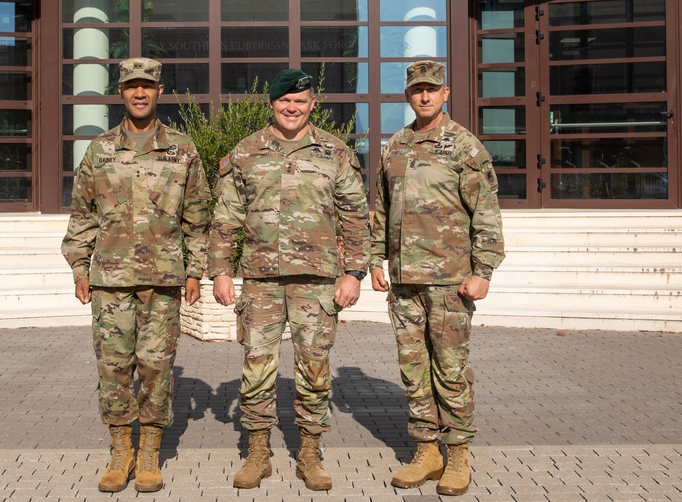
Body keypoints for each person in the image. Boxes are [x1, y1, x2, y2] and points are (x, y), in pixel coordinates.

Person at [208, 68, 371, 491]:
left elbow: (355, 215)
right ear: (273, 104)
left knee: (314, 370)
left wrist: (354, 273)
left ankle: (309, 454)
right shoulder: (245, 152)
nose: (292, 107)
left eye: (300, 101)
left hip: (317, 282)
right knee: (257, 368)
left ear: (312, 104)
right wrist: (221, 271)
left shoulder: (334, 152)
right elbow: (226, 216)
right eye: (285, 101)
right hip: (260, 281)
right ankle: (258, 452)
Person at [61, 57, 210, 494]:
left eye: (147, 86)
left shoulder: (182, 149)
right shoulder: (100, 149)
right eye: (131, 86)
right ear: (121, 93)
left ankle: (149, 453)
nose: (139, 93)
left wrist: (195, 271)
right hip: (110, 280)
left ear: (160, 91)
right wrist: (79, 268)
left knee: (156, 367)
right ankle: (120, 450)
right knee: (113, 368)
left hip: (163, 281)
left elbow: (198, 217)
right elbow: (83, 214)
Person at [370, 60, 505, 497]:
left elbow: (486, 212)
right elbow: (381, 210)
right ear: (407, 96)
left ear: (445, 93)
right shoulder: (395, 146)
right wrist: (376, 260)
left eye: (432, 89)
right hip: (405, 281)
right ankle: (427, 450)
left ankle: (458, 454)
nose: (424, 96)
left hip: (450, 280)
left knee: (450, 368)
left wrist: (483, 271)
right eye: (416, 90)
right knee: (413, 368)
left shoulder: (465, 147)